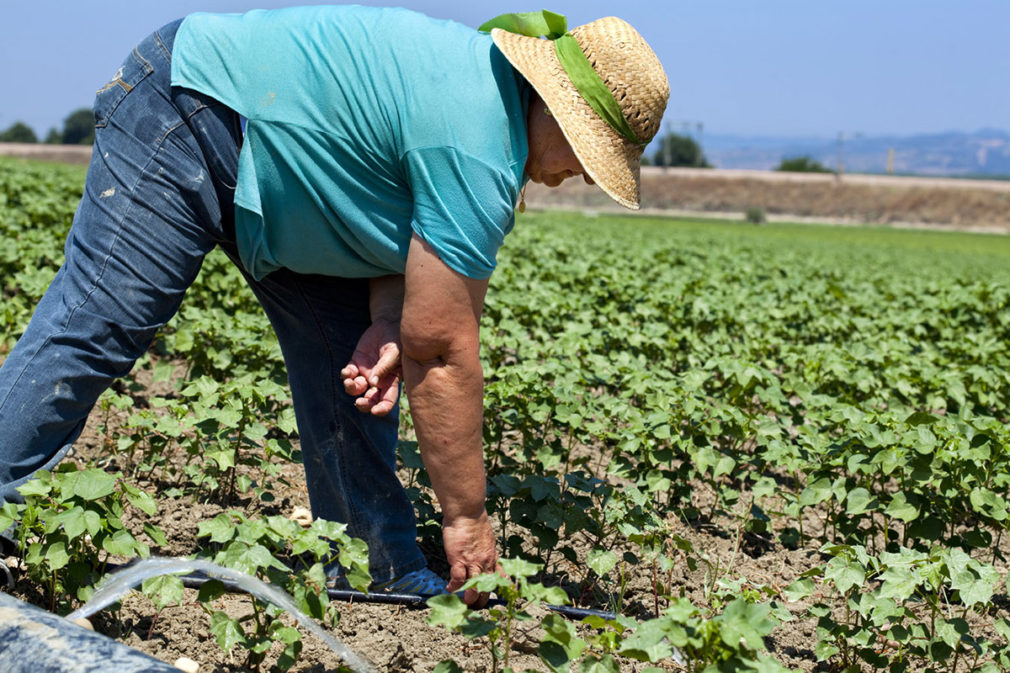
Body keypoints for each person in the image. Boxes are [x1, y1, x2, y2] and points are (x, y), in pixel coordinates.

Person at [0, 7, 668, 605]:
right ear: (552, 106)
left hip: (283, 177)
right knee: (98, 324)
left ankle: (373, 566)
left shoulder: (486, 109)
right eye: (587, 153)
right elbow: (438, 352)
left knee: (351, 370)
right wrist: (466, 518)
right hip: (191, 105)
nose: (578, 173)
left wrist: (384, 320)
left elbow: (390, 228)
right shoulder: (479, 141)